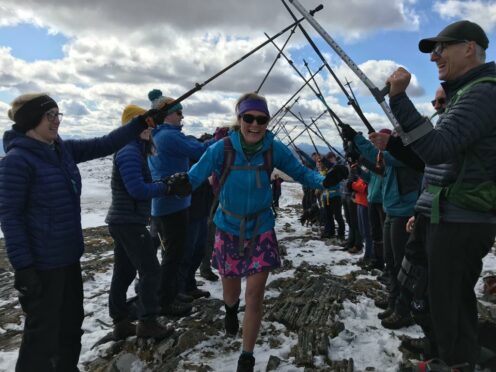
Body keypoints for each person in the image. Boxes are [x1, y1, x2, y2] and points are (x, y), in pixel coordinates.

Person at [171, 92, 343, 372]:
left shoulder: (274, 149)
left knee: (255, 296)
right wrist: (179, 184)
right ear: (239, 120)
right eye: (248, 118)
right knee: (232, 294)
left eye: (261, 119)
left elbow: (302, 174)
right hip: (227, 229)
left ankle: (246, 356)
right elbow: (195, 176)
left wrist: (326, 181)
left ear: (267, 121)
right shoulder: (221, 149)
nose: (255, 124)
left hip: (261, 229)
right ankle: (229, 310)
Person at [0, 93, 154, 371]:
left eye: (58, 115)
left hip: (69, 257)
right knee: (41, 339)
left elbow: (105, 143)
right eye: (50, 115)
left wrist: (140, 122)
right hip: (42, 266)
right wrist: (23, 268)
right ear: (30, 119)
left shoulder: (61, 150)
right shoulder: (17, 160)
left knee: (70, 328)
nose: (56, 121)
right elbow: (10, 217)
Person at [386, 20, 496, 370]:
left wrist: (398, 98)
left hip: (463, 216)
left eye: (441, 48)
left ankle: (457, 362)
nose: (434, 57)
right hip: (446, 213)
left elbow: (436, 149)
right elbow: (438, 159)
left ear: (469, 48)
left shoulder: (483, 92)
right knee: (441, 298)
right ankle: (450, 356)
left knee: (449, 302)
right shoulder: (466, 93)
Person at [147, 89, 221, 316]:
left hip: (176, 203)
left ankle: (181, 289)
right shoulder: (168, 136)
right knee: (173, 255)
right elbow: (199, 150)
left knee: (178, 252)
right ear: (167, 114)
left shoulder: (164, 135)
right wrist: (220, 140)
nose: (182, 116)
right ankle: (166, 301)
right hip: (171, 206)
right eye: (178, 112)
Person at [105, 104, 175, 341]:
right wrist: (165, 187)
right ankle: (147, 322)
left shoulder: (133, 150)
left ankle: (121, 322)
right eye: (140, 122)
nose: (148, 126)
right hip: (128, 222)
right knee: (151, 270)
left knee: (124, 271)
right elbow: (137, 190)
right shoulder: (129, 151)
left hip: (123, 220)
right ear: (129, 126)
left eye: (147, 121)